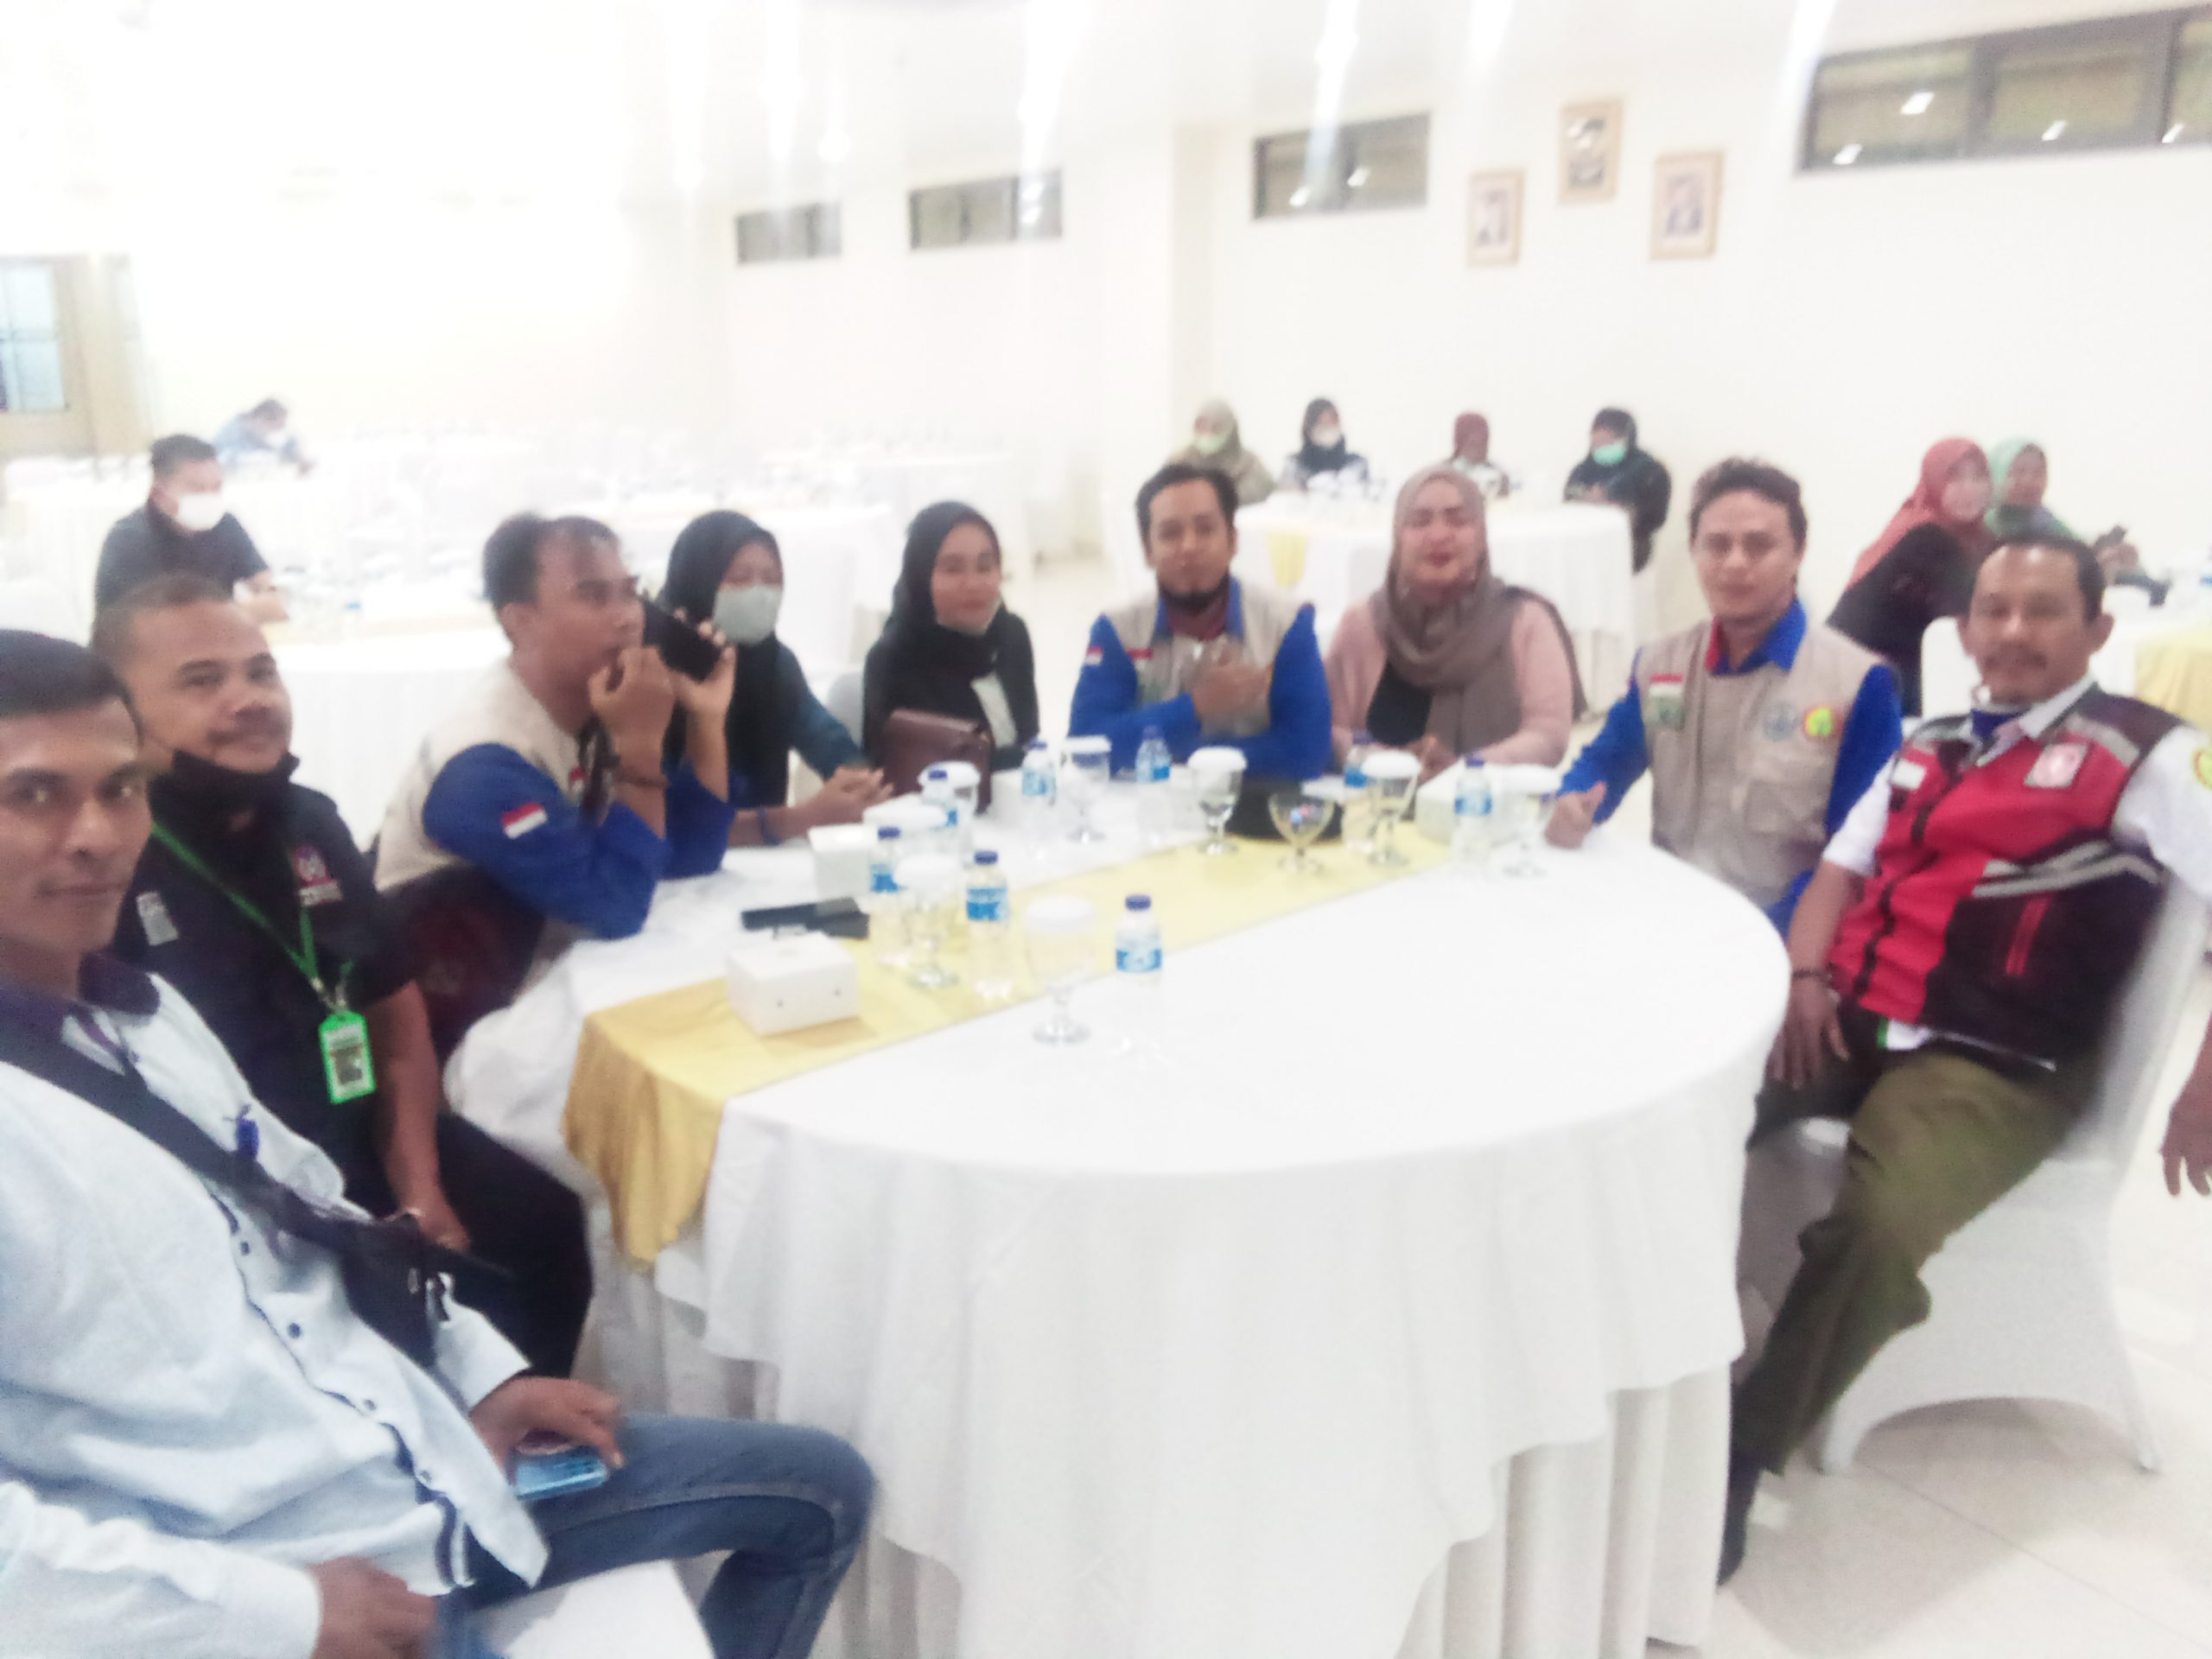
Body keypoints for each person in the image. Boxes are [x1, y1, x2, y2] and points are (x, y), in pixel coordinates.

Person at [0, 628, 873, 1659]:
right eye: (34, 796)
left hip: (409, 1466)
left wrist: (476, 1378)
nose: (98, 835)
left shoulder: (144, 1015)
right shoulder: (481, 762)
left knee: (822, 1490)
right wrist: (276, 1614)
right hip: (289, 1574)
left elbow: (314, 1219)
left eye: (120, 788)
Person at [1721, 535, 2212, 1583]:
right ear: (1965, 626)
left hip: (1996, 1060)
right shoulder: (1930, 741)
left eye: (2042, 611)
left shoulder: (2149, 754)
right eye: (1993, 610)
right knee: (1696, 1106)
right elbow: (1838, 872)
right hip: (1854, 1011)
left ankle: (1738, 1452)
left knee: (1876, 1227)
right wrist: (1804, 981)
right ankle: (1654, 1337)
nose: (2012, 632)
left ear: (2097, 629)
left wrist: (2202, 1088)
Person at [93, 575, 592, 1376]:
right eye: (203, 681)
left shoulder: (310, 822)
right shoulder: (105, 865)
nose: (250, 698)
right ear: (121, 716)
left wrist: (420, 1188)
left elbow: (395, 1015)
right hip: (236, 1188)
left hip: (361, 1139)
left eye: (261, 671)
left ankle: (518, 1427)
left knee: (542, 1225)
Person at [375, 513, 737, 1055]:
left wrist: (707, 719)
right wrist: (639, 750)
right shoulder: (481, 763)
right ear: (519, 622)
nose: (627, 617)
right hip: (464, 1035)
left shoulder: (595, 708)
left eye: (630, 592)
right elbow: (617, 905)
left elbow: (692, 854)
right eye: (594, 596)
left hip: (550, 979)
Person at [1548, 461, 1903, 932]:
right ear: (1694, 551)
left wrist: (1764, 936)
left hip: (1781, 932)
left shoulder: (1857, 683)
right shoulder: (1661, 663)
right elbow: (1608, 761)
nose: (1734, 563)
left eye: (1758, 546)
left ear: (1798, 554)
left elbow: (1857, 851)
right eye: (1717, 545)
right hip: (1667, 911)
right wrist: (1573, 799)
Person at [1070, 462, 1332, 779]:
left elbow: (1306, 752)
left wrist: (1182, 756)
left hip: (1252, 804)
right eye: (1170, 534)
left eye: (1205, 529)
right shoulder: (1119, 629)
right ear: (1147, 552)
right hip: (1146, 805)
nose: (1189, 547)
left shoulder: (1286, 623)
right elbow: (1086, 745)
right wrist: (1197, 705)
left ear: (1233, 540)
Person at [1324, 465, 1580, 779]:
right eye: (1419, 521)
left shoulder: (1524, 621)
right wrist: (1392, 765)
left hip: (1491, 804)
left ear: (1481, 536)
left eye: (1458, 520)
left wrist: (1464, 771)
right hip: (1377, 801)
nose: (1438, 535)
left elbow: (1548, 734)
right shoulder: (1363, 624)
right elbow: (1324, 731)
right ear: (1397, 536)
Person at [659, 510, 891, 846]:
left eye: (771, 579)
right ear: (698, 579)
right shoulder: (656, 668)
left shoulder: (774, 664)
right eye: (740, 578)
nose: (759, 592)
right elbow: (671, 824)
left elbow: (826, 738)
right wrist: (803, 817)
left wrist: (859, 785)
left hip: (766, 863)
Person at [861, 501, 1039, 772]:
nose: (973, 584)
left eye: (985, 567)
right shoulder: (894, 659)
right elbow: (918, 771)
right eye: (953, 569)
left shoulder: (1011, 635)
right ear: (920, 576)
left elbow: (1030, 741)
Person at [1827, 437, 1993, 718]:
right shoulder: (1927, 537)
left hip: (1890, 673)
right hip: (1857, 682)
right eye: (1955, 479)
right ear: (1934, 483)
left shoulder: (1973, 537)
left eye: (1978, 477)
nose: (1969, 489)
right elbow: (1976, 610)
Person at [95, 433, 287, 623]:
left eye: (216, 488)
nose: (208, 497)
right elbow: (150, 624)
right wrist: (237, 613)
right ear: (159, 493)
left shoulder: (224, 523)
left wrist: (271, 593)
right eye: (196, 489)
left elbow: (260, 576)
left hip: (218, 635)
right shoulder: (128, 540)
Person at [1986, 436, 2166, 604]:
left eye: (2039, 473)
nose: (2030, 481)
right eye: (2019, 472)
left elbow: (2079, 554)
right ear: (1996, 474)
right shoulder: (1984, 525)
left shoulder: (2045, 521)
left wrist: (2119, 562)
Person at [1565, 407, 1672, 575]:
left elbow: (1655, 517)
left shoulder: (1650, 472)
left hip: (1630, 550)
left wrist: (1612, 507)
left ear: (1626, 439)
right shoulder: (1583, 469)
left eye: (1607, 443)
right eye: (1596, 443)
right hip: (1582, 547)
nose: (1600, 448)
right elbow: (1568, 500)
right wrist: (1585, 501)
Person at [1170, 398, 1275, 506]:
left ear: (1230, 429)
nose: (1208, 433)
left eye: (1216, 427)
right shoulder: (1179, 461)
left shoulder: (1249, 464)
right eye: (1202, 426)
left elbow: (1260, 491)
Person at [1278, 397, 1370, 494]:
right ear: (1310, 427)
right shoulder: (1294, 466)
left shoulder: (1356, 465)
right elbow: (1285, 496)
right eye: (1324, 424)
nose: (1330, 428)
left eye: (1334, 422)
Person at [214, 397, 312, 473]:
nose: (278, 432)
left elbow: (284, 447)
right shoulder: (231, 438)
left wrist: (299, 458)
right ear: (262, 419)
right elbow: (226, 463)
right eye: (276, 427)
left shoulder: (256, 436)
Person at [1445, 411, 1511, 499]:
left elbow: (1503, 504)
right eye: (1469, 438)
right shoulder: (1441, 477)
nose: (1477, 441)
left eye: (1482, 438)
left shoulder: (1500, 478)